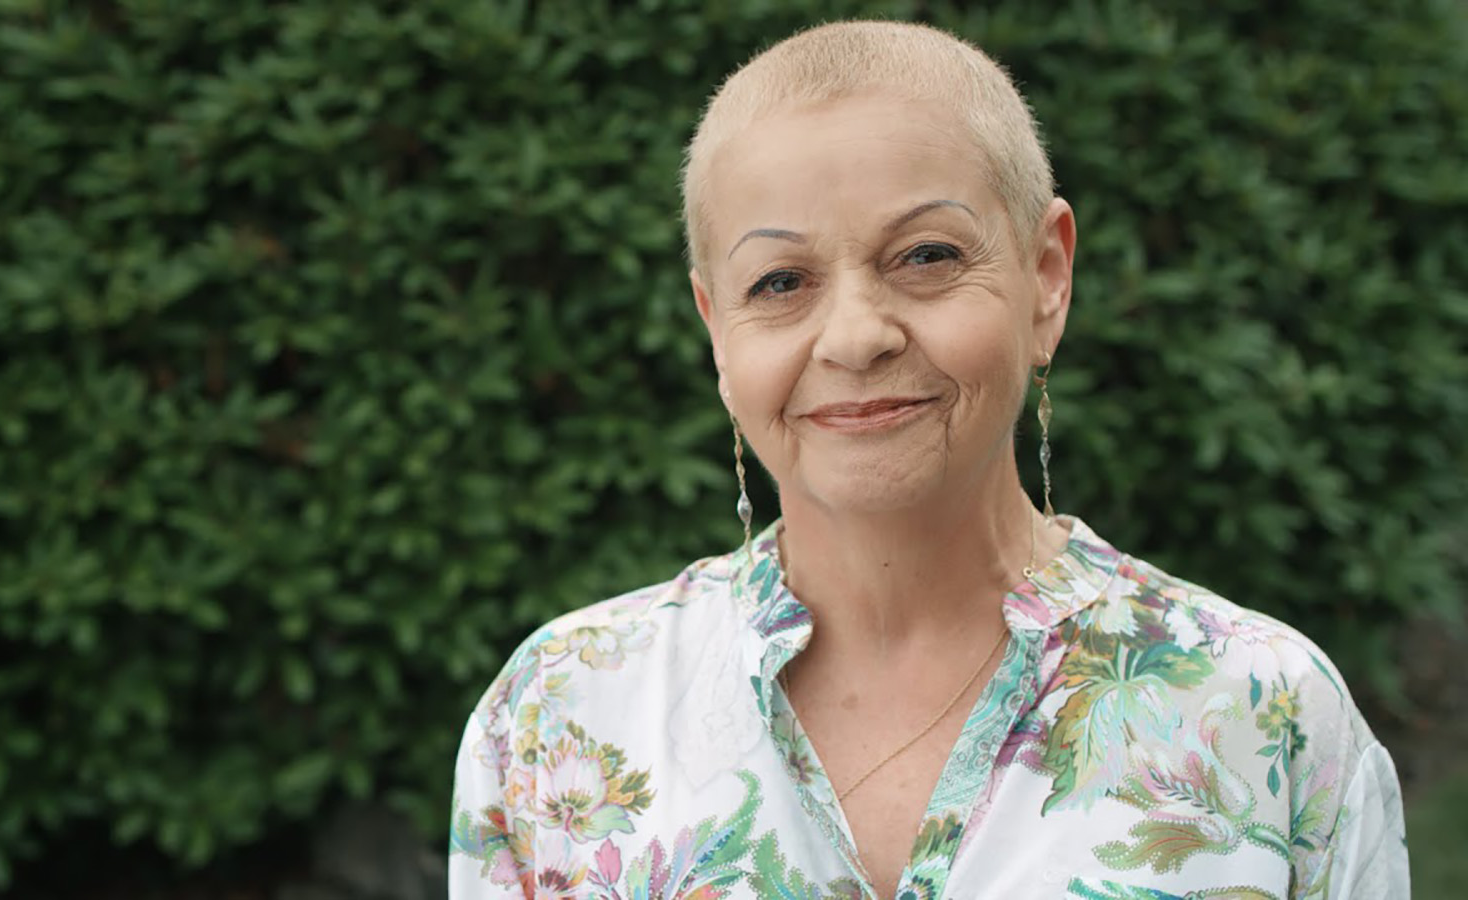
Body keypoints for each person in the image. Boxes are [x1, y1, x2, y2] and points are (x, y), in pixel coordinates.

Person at [447, 20, 1408, 900]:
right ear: (716, 328)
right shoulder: (558, 718)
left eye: (927, 256)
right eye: (780, 282)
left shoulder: (1270, 718)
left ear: (1047, 276)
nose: (855, 336)